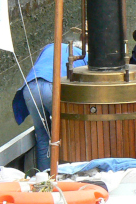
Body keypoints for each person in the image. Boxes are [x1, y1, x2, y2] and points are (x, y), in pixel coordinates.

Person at [12, 43, 87, 171]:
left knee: (42, 137)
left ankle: (45, 177)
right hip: (52, 86)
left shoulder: (50, 46)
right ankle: (68, 173)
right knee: (70, 131)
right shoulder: (85, 57)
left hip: (30, 87)